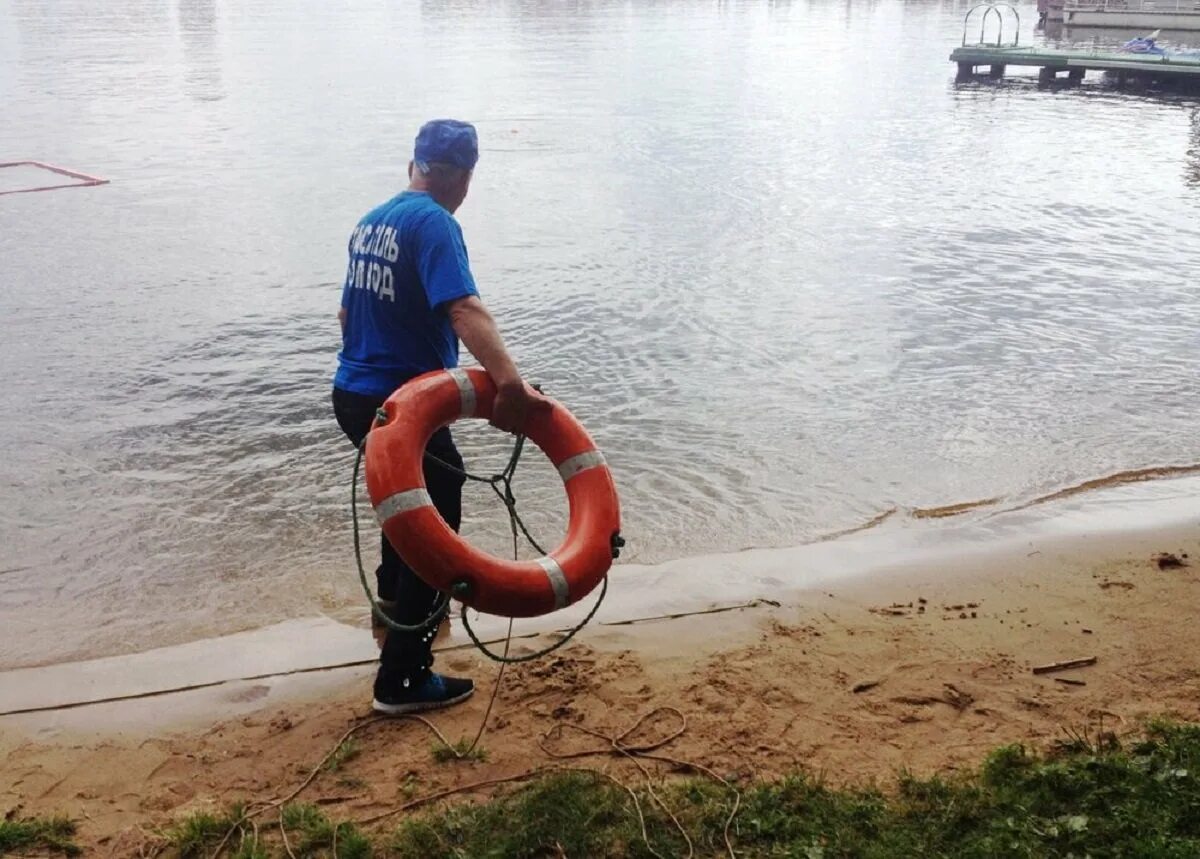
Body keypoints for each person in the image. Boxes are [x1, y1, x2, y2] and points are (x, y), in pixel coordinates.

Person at [332, 119, 548, 715]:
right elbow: (464, 309)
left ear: (415, 163)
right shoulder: (436, 224)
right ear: (458, 174)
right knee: (434, 523)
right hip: (400, 405)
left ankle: (390, 611)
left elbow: (347, 316)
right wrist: (511, 387)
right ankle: (403, 678)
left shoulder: (374, 219)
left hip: (353, 393)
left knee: (403, 508)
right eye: (468, 177)